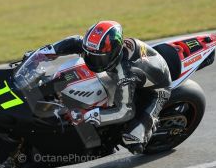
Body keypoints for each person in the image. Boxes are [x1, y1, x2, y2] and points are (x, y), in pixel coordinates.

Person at [33, 20, 172, 154]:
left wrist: (87, 115)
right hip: (131, 75)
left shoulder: (125, 73)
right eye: (89, 54)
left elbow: (125, 111)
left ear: (114, 52)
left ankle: (149, 126)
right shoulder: (100, 47)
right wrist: (40, 55)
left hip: (156, 90)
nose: (92, 60)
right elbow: (74, 41)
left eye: (99, 58)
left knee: (133, 140)